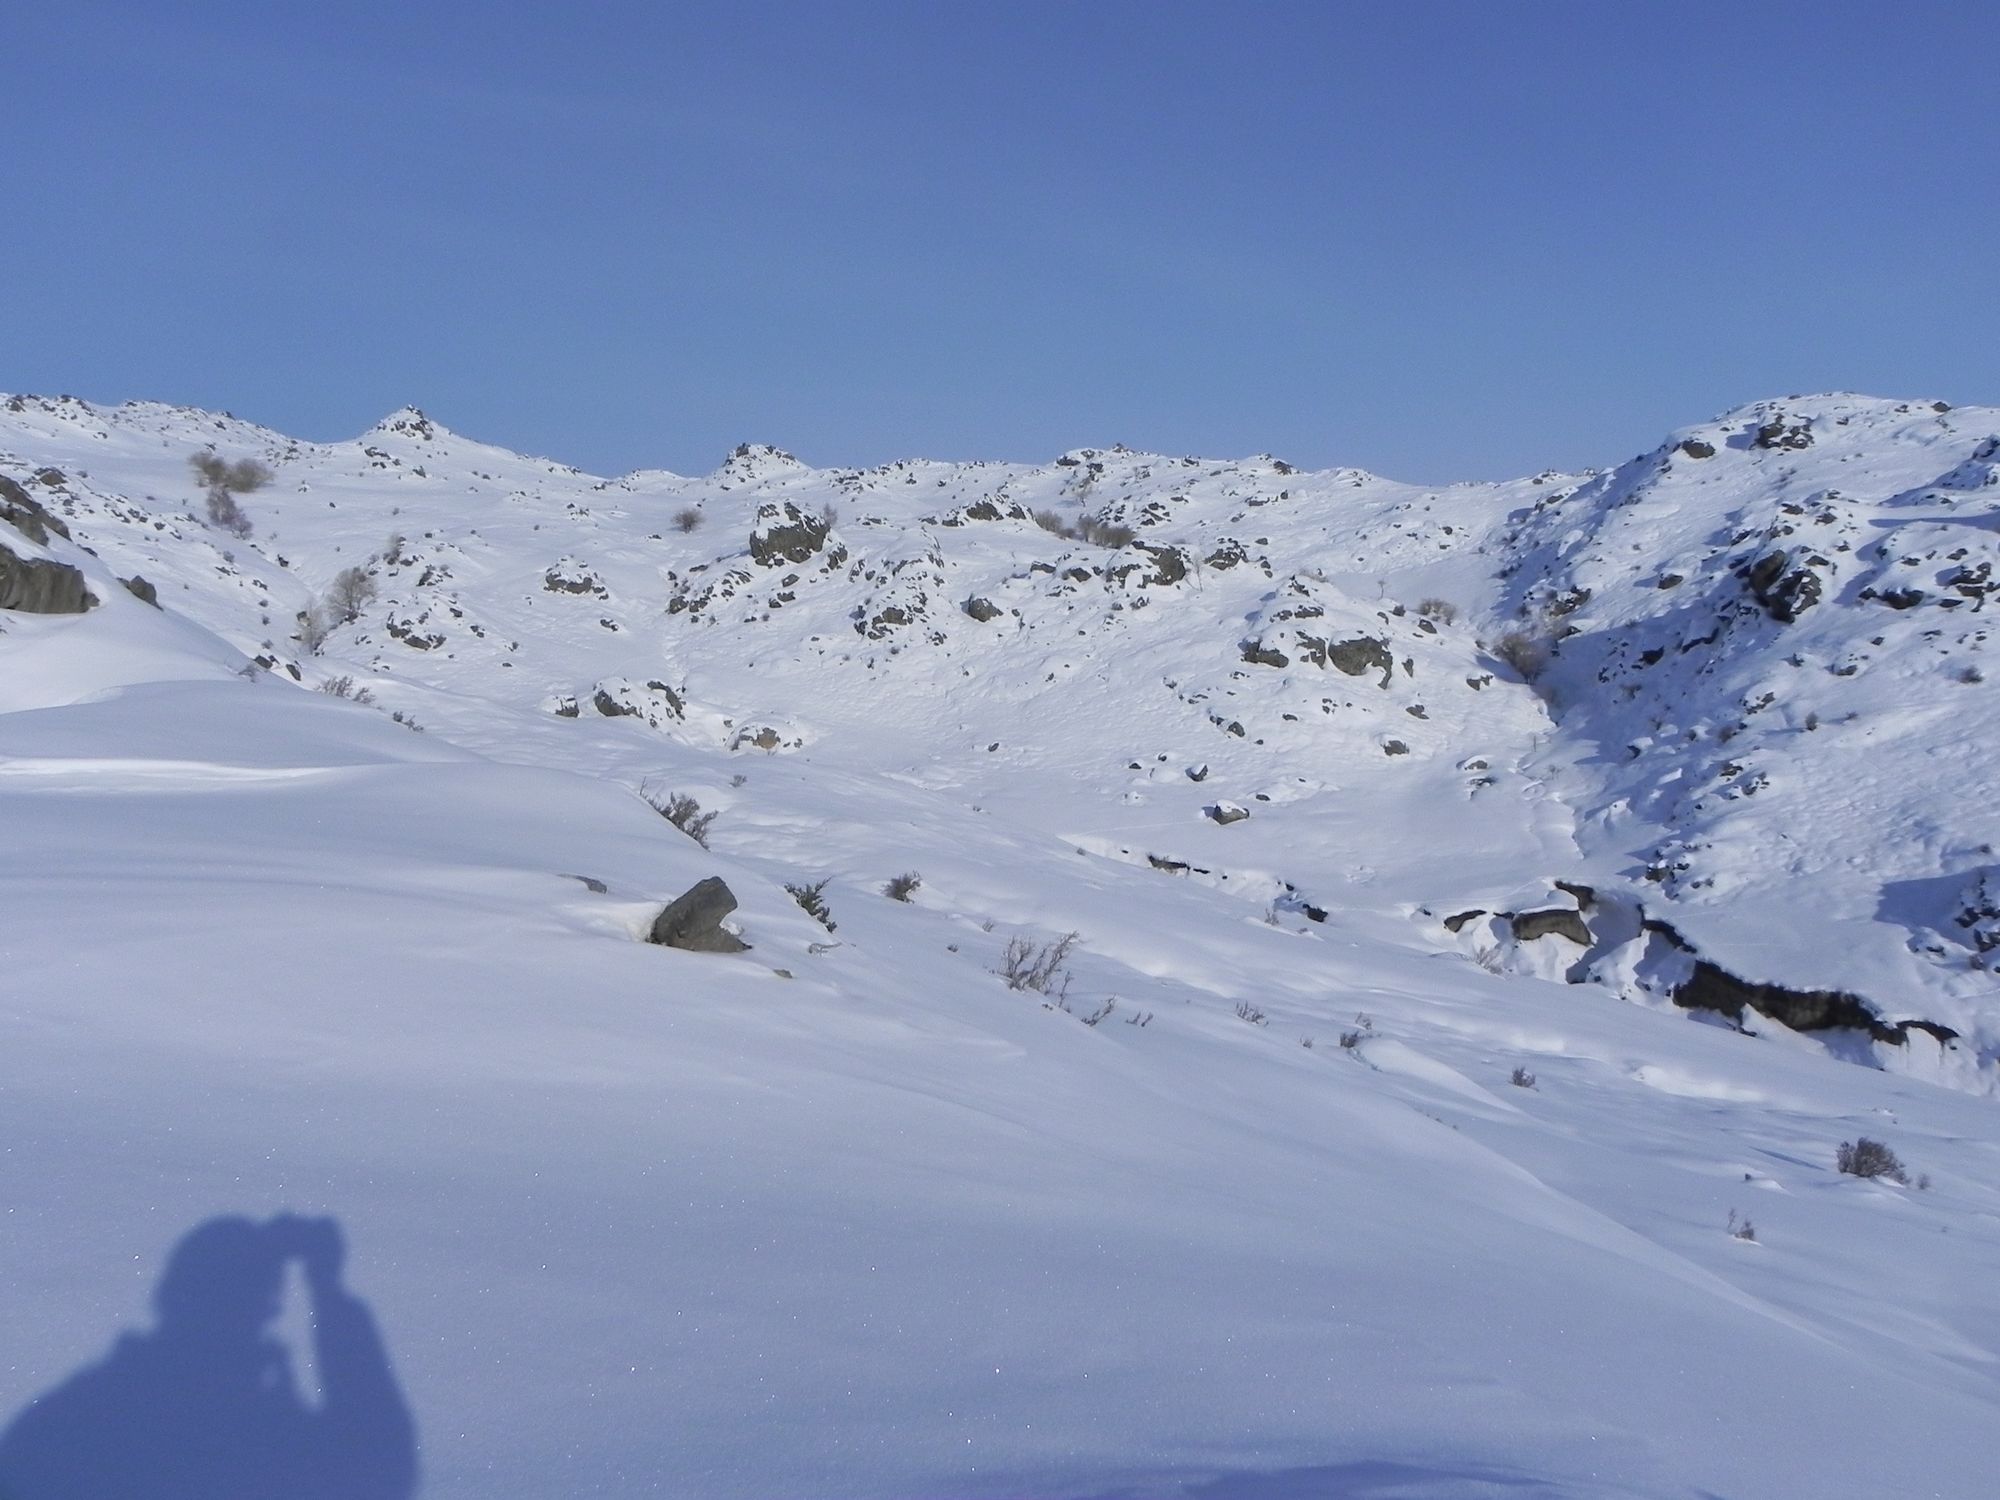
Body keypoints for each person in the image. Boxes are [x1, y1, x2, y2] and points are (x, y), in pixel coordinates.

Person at [0, 1213, 417, 1500]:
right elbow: (377, 1468)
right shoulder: (254, 1434)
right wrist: (328, 1291)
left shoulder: (81, 1416)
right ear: (264, 1311)